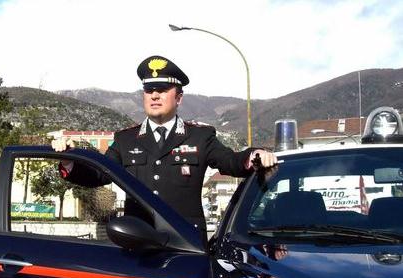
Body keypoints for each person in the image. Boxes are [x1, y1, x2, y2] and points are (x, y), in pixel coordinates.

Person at [52, 55, 277, 243]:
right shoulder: (125, 139)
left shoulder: (200, 136)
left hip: (185, 243)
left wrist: (254, 155)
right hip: (137, 242)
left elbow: (230, 161)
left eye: (162, 89)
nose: (155, 95)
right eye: (149, 90)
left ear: (178, 97)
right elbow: (100, 173)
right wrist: (70, 160)